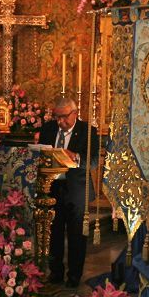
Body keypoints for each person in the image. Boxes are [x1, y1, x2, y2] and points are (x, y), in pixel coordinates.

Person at [38, 97, 96, 287]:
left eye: (64, 117)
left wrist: (76, 157)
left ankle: (74, 276)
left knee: (76, 235)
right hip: (52, 188)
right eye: (57, 117)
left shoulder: (88, 131)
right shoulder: (48, 129)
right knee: (53, 232)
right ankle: (55, 273)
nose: (60, 122)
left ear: (75, 113)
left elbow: (94, 160)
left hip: (77, 190)